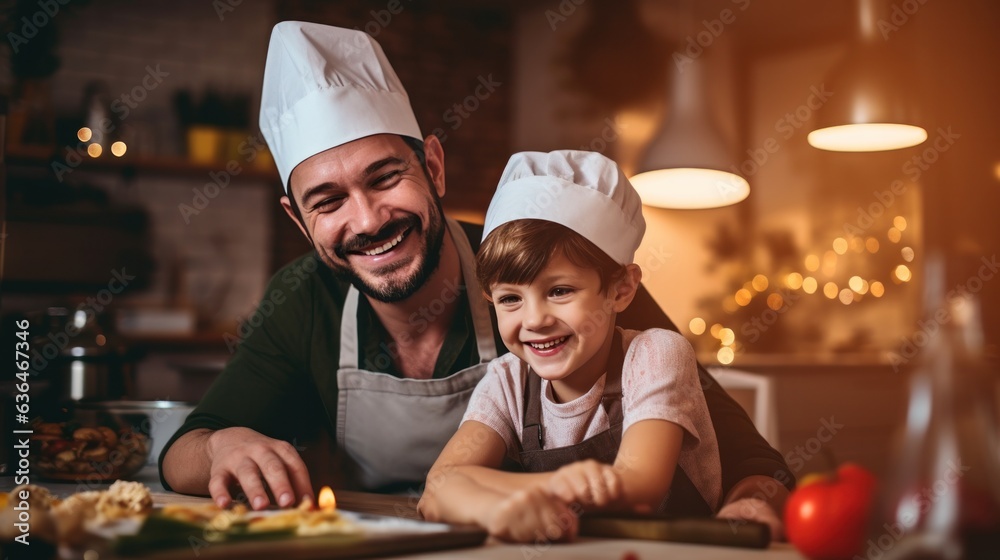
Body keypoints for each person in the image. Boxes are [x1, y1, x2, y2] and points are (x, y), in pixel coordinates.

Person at [159, 21, 792, 537]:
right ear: (300, 223)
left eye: (385, 178)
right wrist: (224, 446)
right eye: (328, 202)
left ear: (432, 166)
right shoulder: (304, 298)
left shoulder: (545, 262)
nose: (368, 219)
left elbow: (749, 457)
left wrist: (754, 503)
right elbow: (183, 452)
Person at [417, 150, 723, 542]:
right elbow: (438, 487)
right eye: (510, 299)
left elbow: (640, 485)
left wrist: (497, 488)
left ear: (621, 288)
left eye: (559, 291)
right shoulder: (508, 380)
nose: (533, 320)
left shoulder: (656, 355)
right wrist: (499, 510)